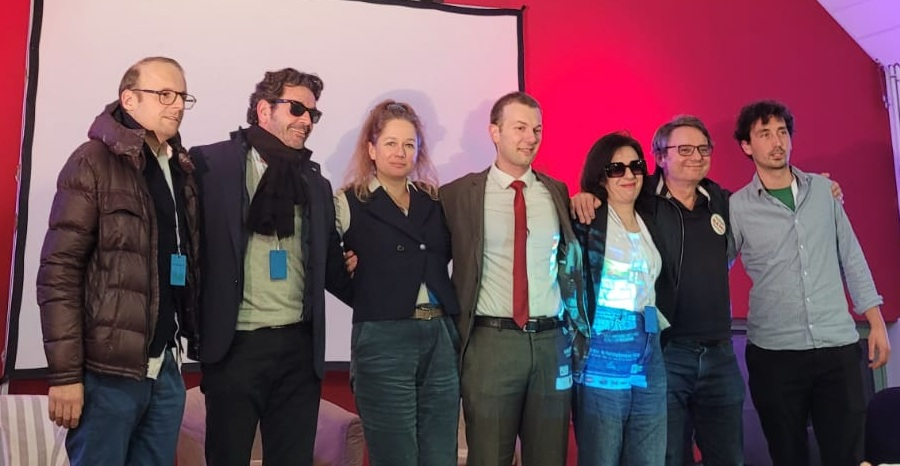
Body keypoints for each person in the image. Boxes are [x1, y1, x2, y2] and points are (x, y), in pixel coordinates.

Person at [36, 56, 200, 465]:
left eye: (182, 96)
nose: (176, 105)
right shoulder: (92, 161)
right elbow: (59, 271)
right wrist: (65, 375)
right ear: (129, 99)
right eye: (164, 94)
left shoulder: (179, 167)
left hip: (164, 367)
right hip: (106, 372)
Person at [191, 68, 353, 466]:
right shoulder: (211, 164)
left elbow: (330, 266)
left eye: (313, 114)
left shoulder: (314, 182)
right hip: (235, 347)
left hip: (298, 349)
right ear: (264, 110)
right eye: (296, 109)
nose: (306, 121)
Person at [730, 99, 890, 466]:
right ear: (746, 145)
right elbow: (714, 267)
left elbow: (851, 255)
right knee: (788, 455)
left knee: (846, 454)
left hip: (837, 346)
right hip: (775, 352)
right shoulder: (737, 207)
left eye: (782, 132)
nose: (777, 142)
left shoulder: (823, 190)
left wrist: (876, 321)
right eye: (764, 134)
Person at [440, 91, 587, 466]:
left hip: (551, 344)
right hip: (491, 345)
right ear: (495, 132)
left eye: (537, 129)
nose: (531, 138)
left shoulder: (556, 191)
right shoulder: (457, 194)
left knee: (549, 457)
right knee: (489, 457)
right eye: (520, 128)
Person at [334, 100, 461, 465]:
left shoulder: (433, 200)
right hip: (383, 338)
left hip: (440, 335)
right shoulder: (349, 201)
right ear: (371, 149)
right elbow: (322, 262)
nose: (400, 152)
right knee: (395, 455)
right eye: (390, 143)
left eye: (409, 144)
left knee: (440, 454)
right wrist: (364, 293)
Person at [571, 132, 668, 465]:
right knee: (602, 454)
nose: (629, 175)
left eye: (636, 166)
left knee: (649, 454)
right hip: (603, 345)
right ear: (601, 176)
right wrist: (580, 198)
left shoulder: (649, 218)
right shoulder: (587, 218)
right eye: (617, 169)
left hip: (650, 345)